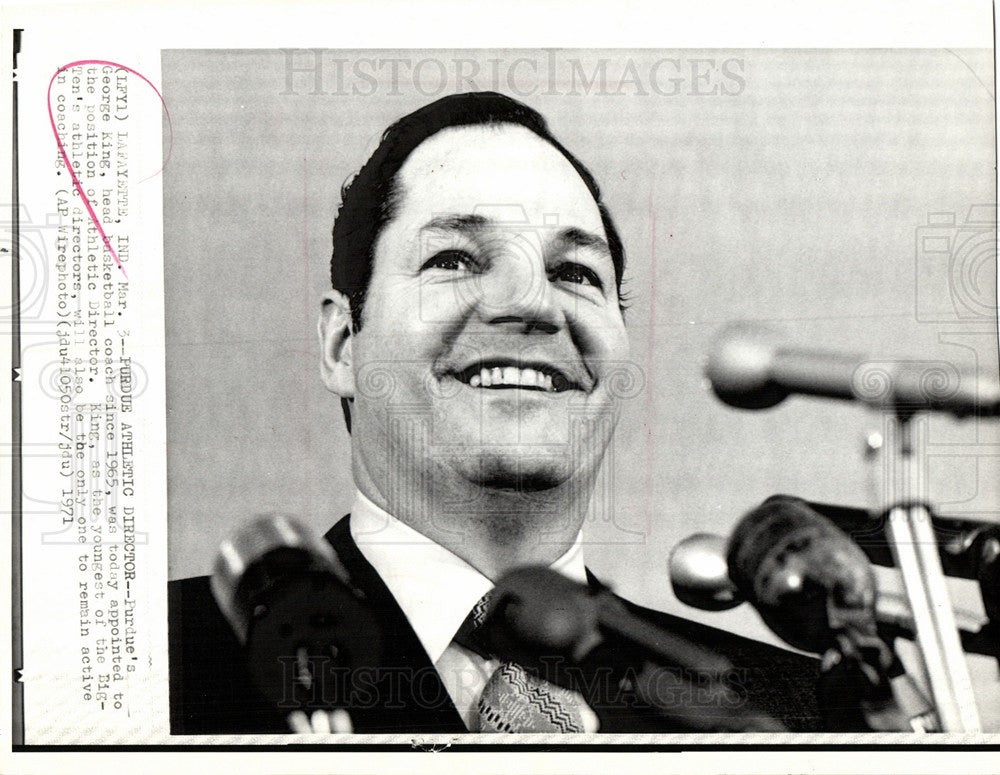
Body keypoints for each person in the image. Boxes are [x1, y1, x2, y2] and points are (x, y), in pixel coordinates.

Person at [169, 91, 826, 734]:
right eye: (452, 259)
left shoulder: (787, 714)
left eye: (574, 272)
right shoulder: (172, 658)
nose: (533, 303)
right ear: (344, 344)